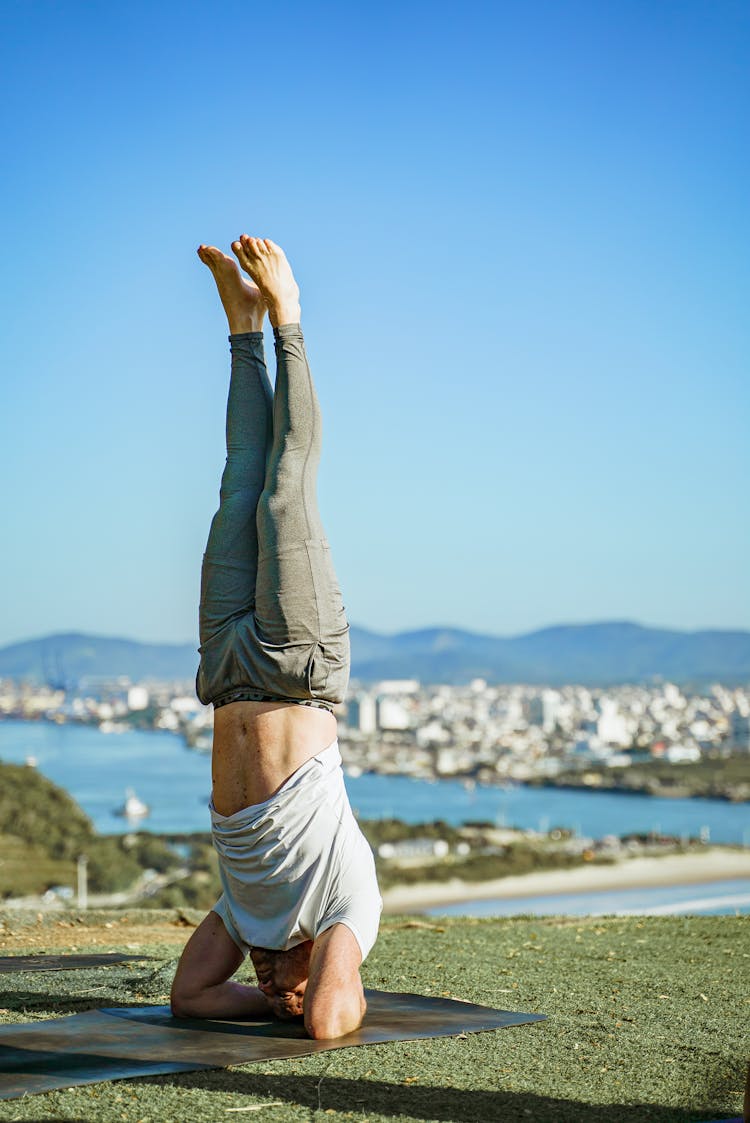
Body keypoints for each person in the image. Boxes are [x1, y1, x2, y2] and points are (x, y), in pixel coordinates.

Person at [170, 235, 382, 1039]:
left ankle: (239, 326)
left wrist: (263, 997)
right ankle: (288, 316)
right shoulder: (348, 905)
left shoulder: (248, 921)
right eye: (283, 991)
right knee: (286, 487)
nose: (278, 993)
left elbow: (189, 996)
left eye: (276, 998)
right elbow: (329, 1022)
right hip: (299, 667)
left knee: (238, 477)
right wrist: (304, 999)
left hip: (225, 667)